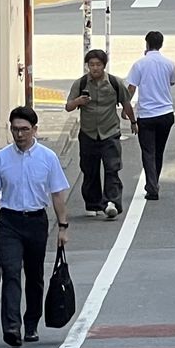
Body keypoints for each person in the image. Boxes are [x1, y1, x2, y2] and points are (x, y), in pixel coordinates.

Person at [0, 106, 71, 348]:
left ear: (34, 130)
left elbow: (57, 195)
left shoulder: (48, 158)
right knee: (11, 272)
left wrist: (63, 227)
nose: (19, 134)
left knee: (34, 275)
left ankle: (31, 323)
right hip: (9, 221)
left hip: (36, 221)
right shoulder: (1, 158)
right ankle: (12, 327)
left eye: (24, 129)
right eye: (15, 129)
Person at [64, 49, 134, 220]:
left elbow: (126, 102)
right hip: (88, 133)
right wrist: (78, 101)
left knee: (112, 168)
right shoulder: (81, 83)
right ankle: (92, 203)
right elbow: (68, 106)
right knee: (89, 170)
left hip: (110, 132)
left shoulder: (114, 82)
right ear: (87, 66)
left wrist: (133, 121)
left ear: (104, 65)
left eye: (98, 64)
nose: (95, 68)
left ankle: (111, 203)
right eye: (91, 65)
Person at [126, 30, 175, 201]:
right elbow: (172, 81)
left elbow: (131, 88)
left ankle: (152, 186)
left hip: (147, 115)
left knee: (148, 151)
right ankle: (154, 182)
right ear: (161, 44)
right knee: (159, 151)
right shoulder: (169, 63)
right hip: (166, 113)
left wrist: (126, 108)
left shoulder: (140, 64)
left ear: (147, 44)